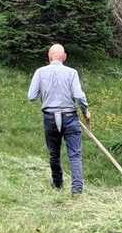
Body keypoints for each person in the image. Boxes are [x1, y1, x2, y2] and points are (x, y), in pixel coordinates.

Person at [27, 44, 92, 193]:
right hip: (70, 116)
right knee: (75, 154)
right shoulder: (72, 73)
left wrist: (46, 93)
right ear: (64, 57)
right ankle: (77, 190)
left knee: (54, 154)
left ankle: (58, 185)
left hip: (50, 117)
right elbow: (78, 96)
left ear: (49, 57)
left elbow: (31, 96)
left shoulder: (40, 72)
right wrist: (85, 111)